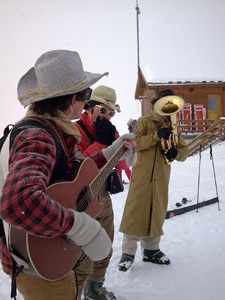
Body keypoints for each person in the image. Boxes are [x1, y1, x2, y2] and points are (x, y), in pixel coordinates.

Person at [0, 50, 136, 300]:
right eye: (86, 94)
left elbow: (74, 174)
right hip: (38, 262)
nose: (86, 101)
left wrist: (112, 151)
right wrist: (79, 226)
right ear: (73, 99)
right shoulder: (38, 136)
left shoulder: (50, 128)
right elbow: (19, 202)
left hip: (48, 252)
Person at [73, 85, 136, 300]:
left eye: (111, 112)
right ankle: (76, 291)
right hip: (79, 200)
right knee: (81, 252)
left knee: (105, 245)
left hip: (102, 196)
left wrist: (128, 150)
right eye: (102, 110)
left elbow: (120, 166)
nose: (107, 116)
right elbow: (77, 169)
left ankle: (94, 287)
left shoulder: (111, 131)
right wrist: (101, 144)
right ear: (89, 109)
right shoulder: (74, 131)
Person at [118, 89, 189, 272]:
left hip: (161, 177)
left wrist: (176, 153)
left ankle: (151, 250)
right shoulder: (143, 122)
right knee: (135, 212)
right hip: (142, 176)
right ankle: (128, 252)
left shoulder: (175, 127)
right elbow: (138, 143)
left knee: (156, 211)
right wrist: (157, 135)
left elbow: (184, 151)